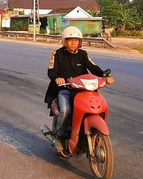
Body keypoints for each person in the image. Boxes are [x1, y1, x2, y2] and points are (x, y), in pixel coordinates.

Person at [44, 26, 113, 154]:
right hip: (65, 89)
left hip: (82, 90)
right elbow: (51, 71)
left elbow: (93, 67)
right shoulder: (57, 54)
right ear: (64, 41)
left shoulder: (83, 54)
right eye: (70, 40)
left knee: (97, 105)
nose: (73, 43)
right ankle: (60, 135)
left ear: (80, 42)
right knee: (66, 110)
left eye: (76, 40)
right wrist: (57, 78)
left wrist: (104, 75)